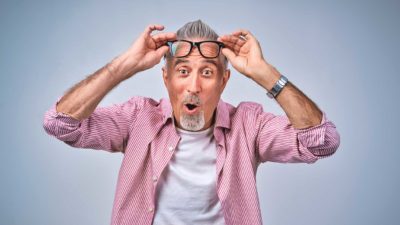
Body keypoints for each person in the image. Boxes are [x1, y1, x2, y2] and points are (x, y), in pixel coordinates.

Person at [43, 20, 340, 225]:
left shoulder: (248, 125)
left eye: (207, 73)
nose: (194, 86)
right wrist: (126, 65)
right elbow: (61, 123)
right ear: (166, 78)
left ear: (224, 81)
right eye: (183, 71)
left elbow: (322, 142)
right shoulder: (138, 119)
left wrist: (264, 73)